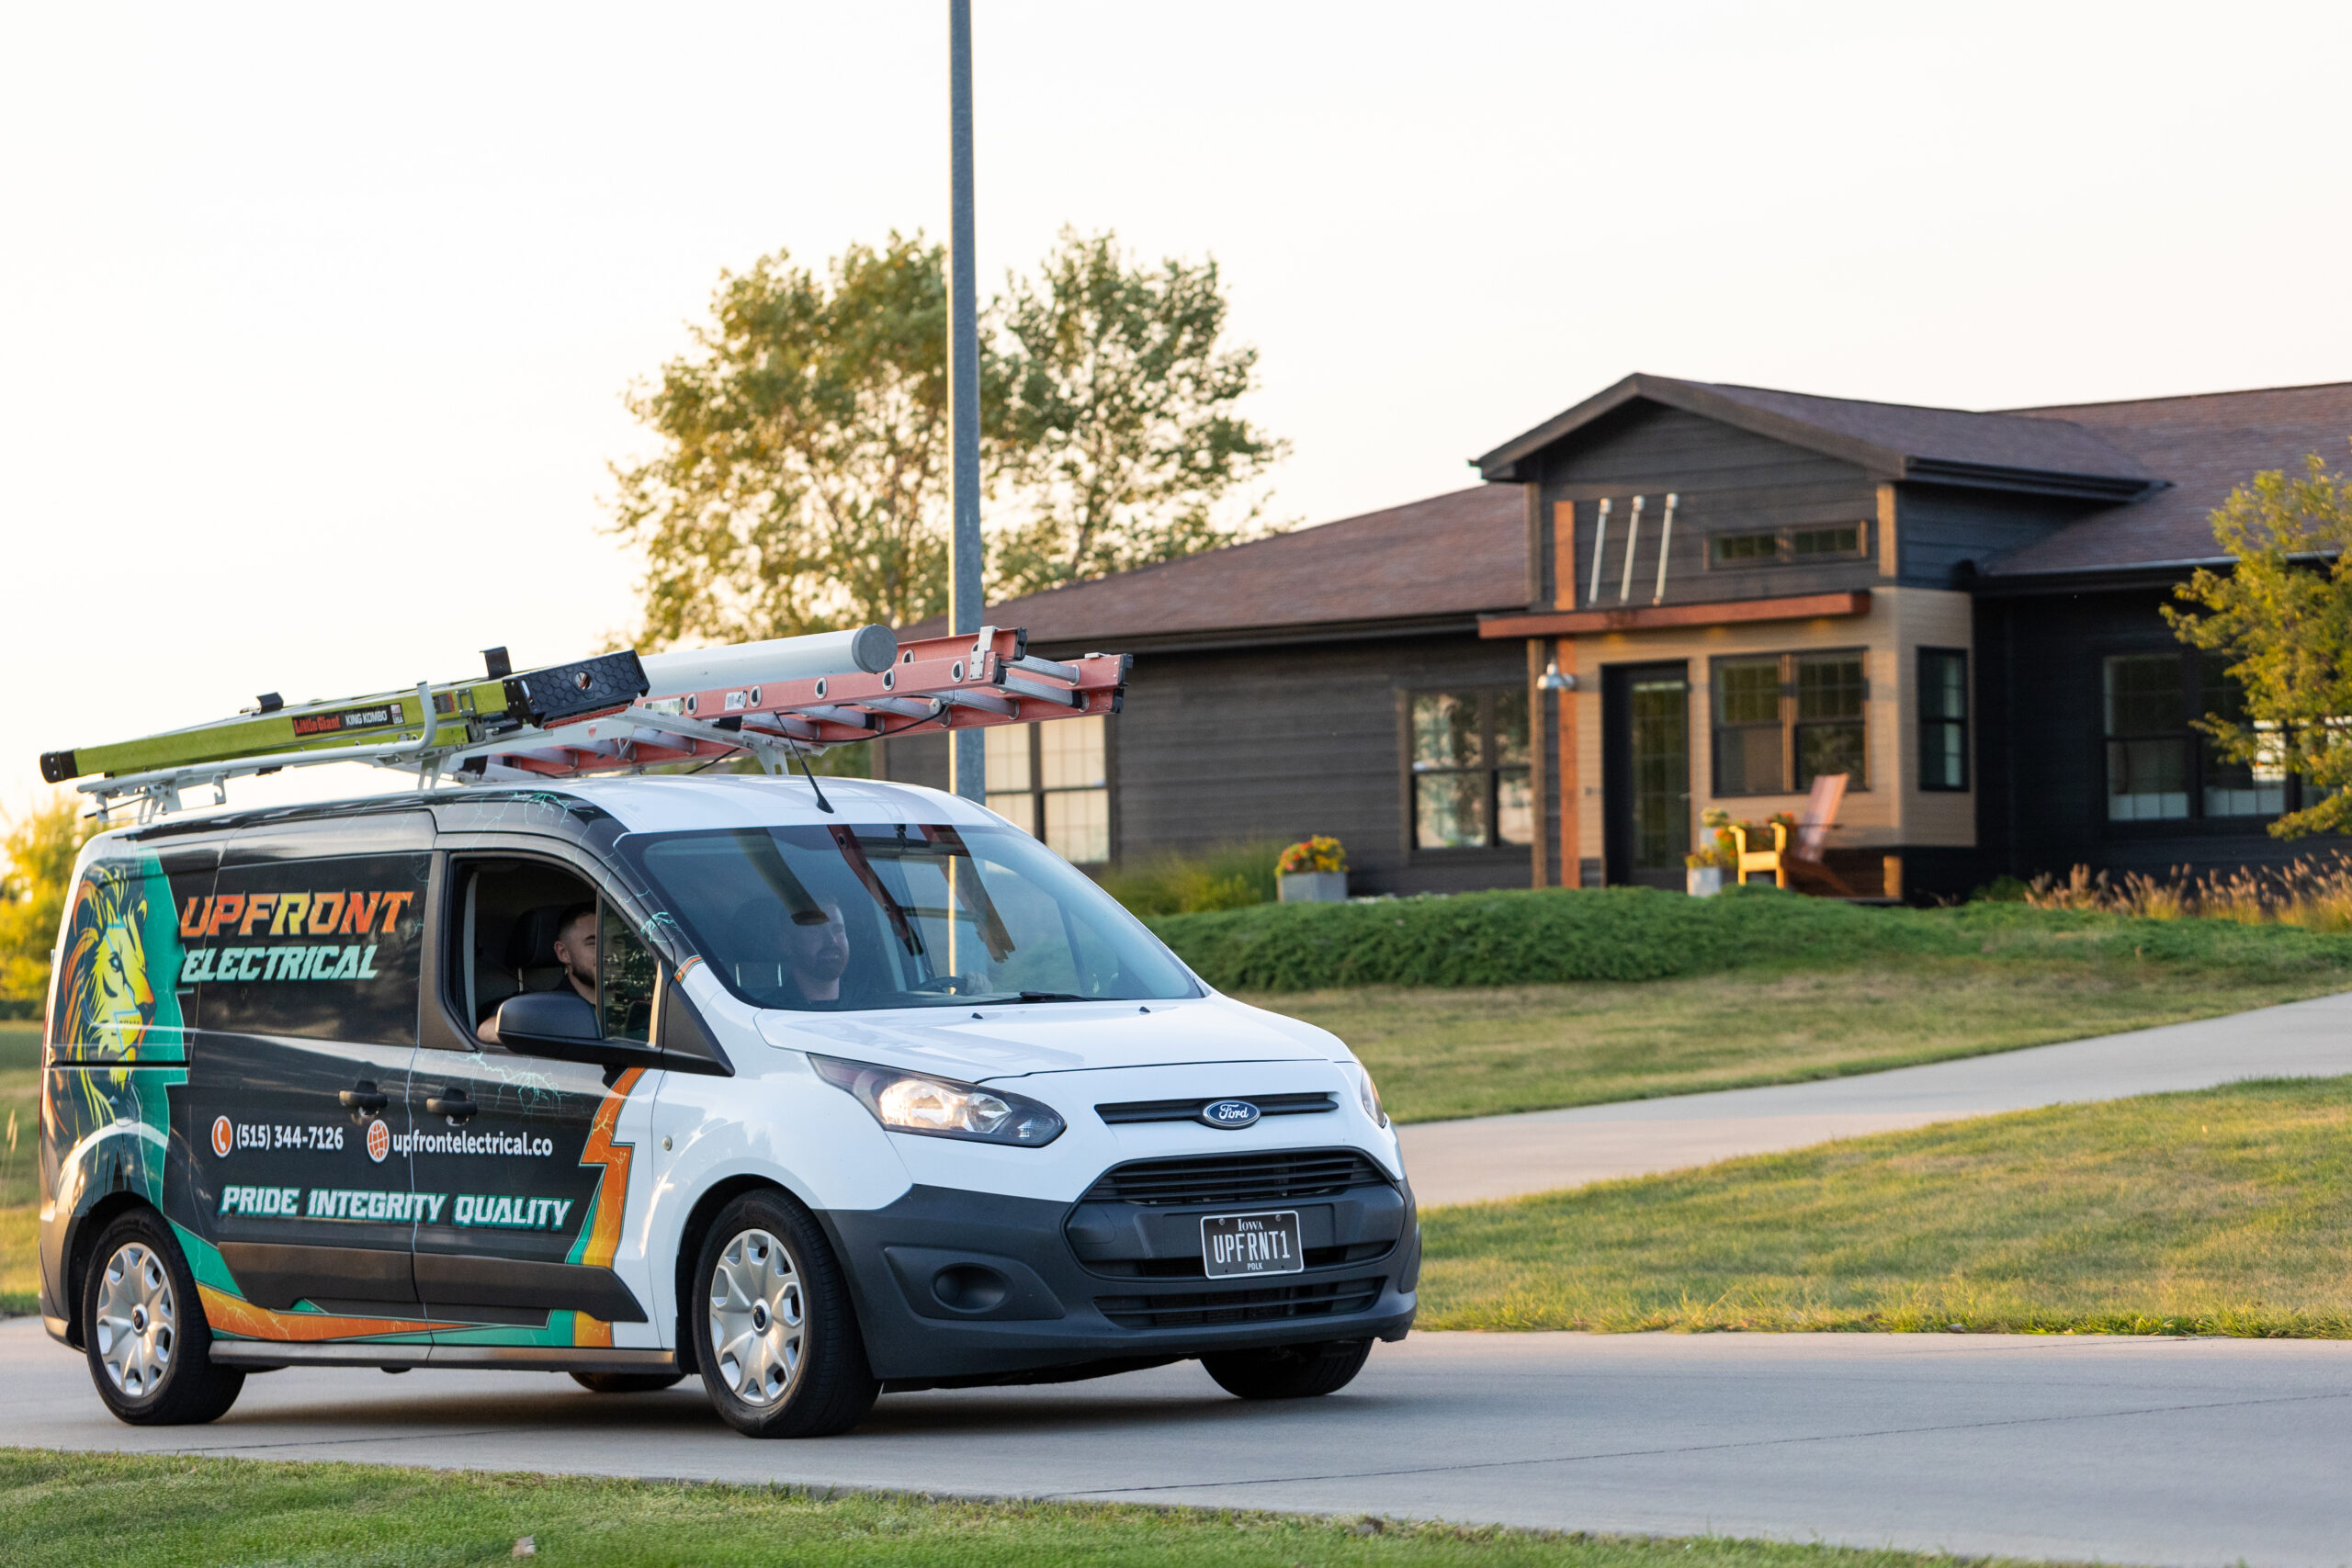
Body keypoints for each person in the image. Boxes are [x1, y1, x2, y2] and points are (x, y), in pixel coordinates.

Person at [479, 902, 596, 1044]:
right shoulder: (549, 1007)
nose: (609, 952)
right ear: (563, 953)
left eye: (618, 941)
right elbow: (486, 1030)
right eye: (594, 944)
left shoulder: (629, 1005)